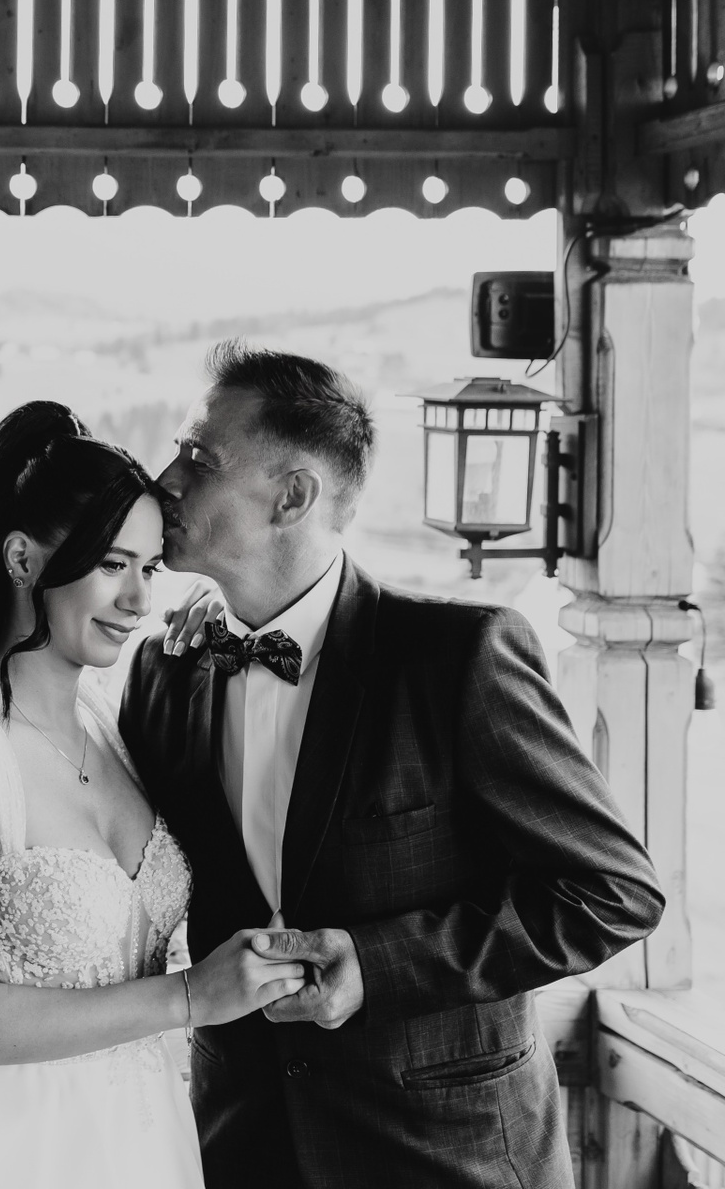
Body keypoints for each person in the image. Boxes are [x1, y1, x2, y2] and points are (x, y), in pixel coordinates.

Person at [122, 341, 666, 1188]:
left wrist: (378, 967)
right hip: (240, 1146)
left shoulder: (455, 659)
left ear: (293, 495)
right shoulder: (165, 671)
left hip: (448, 1156)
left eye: (199, 458)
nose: (165, 481)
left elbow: (611, 892)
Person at [0, 402, 307, 1189]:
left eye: (149, 569)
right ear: (21, 558)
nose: (137, 600)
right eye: (111, 564)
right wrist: (190, 996)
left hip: (139, 1139)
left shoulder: (109, 720)